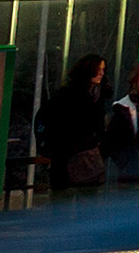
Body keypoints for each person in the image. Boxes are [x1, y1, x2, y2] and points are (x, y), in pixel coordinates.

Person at [34, 54, 112, 195]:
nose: (101, 73)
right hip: (68, 158)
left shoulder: (100, 96)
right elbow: (50, 121)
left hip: (89, 160)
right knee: (63, 199)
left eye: (103, 69)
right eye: (98, 69)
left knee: (85, 201)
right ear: (88, 70)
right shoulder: (67, 96)